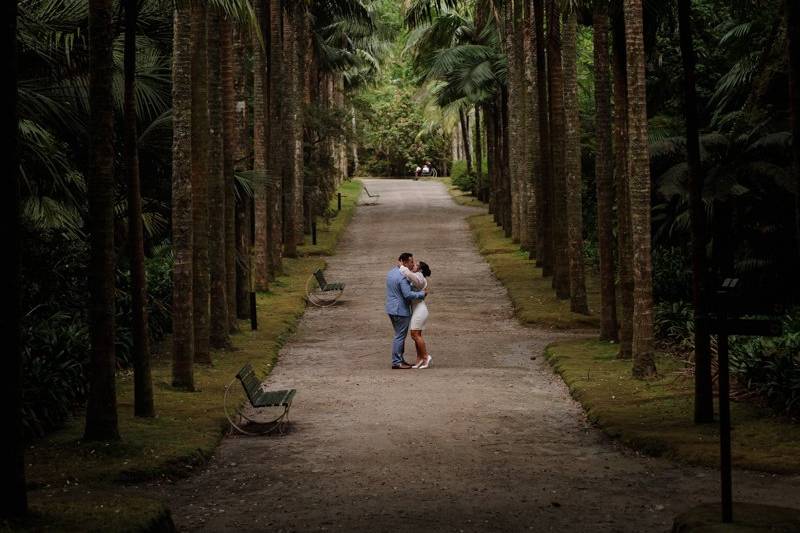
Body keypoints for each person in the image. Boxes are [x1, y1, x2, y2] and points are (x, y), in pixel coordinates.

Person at [385, 253, 427, 369]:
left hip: (391, 308)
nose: (413, 264)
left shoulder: (391, 273)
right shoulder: (403, 277)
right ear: (404, 262)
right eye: (411, 262)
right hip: (400, 310)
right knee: (400, 336)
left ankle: (399, 359)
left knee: (398, 334)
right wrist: (422, 294)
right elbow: (408, 295)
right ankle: (397, 361)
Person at [399, 259, 432, 369]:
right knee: (417, 334)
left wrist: (402, 266)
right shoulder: (418, 276)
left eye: (416, 264)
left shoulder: (419, 276)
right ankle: (419, 358)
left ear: (420, 269)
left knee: (414, 334)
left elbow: (408, 274)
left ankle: (426, 357)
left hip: (420, 309)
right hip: (417, 308)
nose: (413, 265)